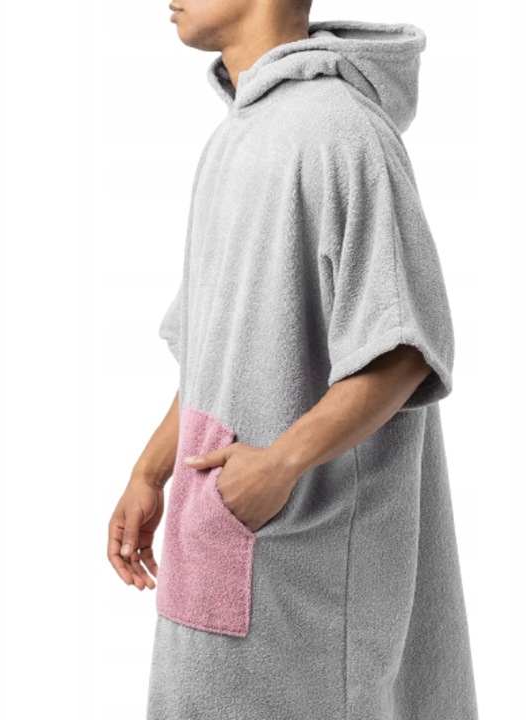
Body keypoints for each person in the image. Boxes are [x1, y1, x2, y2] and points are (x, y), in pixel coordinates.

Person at [107, 3, 480, 719]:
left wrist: (278, 466)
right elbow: (214, 351)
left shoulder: (341, 130)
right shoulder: (235, 138)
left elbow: (404, 349)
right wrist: (150, 473)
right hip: (218, 542)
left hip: (305, 563)